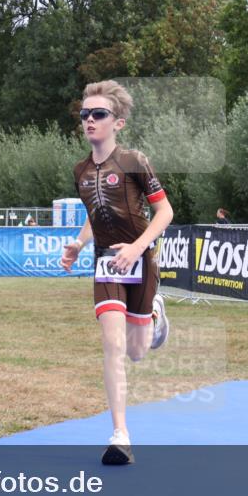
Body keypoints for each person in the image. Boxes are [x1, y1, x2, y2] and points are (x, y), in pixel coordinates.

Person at [60, 80, 174, 466]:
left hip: (140, 260)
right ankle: (120, 434)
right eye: (84, 114)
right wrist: (79, 243)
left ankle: (154, 314)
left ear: (118, 123)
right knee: (113, 345)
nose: (89, 120)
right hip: (106, 263)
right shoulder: (80, 170)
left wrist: (137, 247)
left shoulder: (134, 161)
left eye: (99, 114)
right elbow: (95, 214)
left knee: (137, 352)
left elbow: (165, 211)